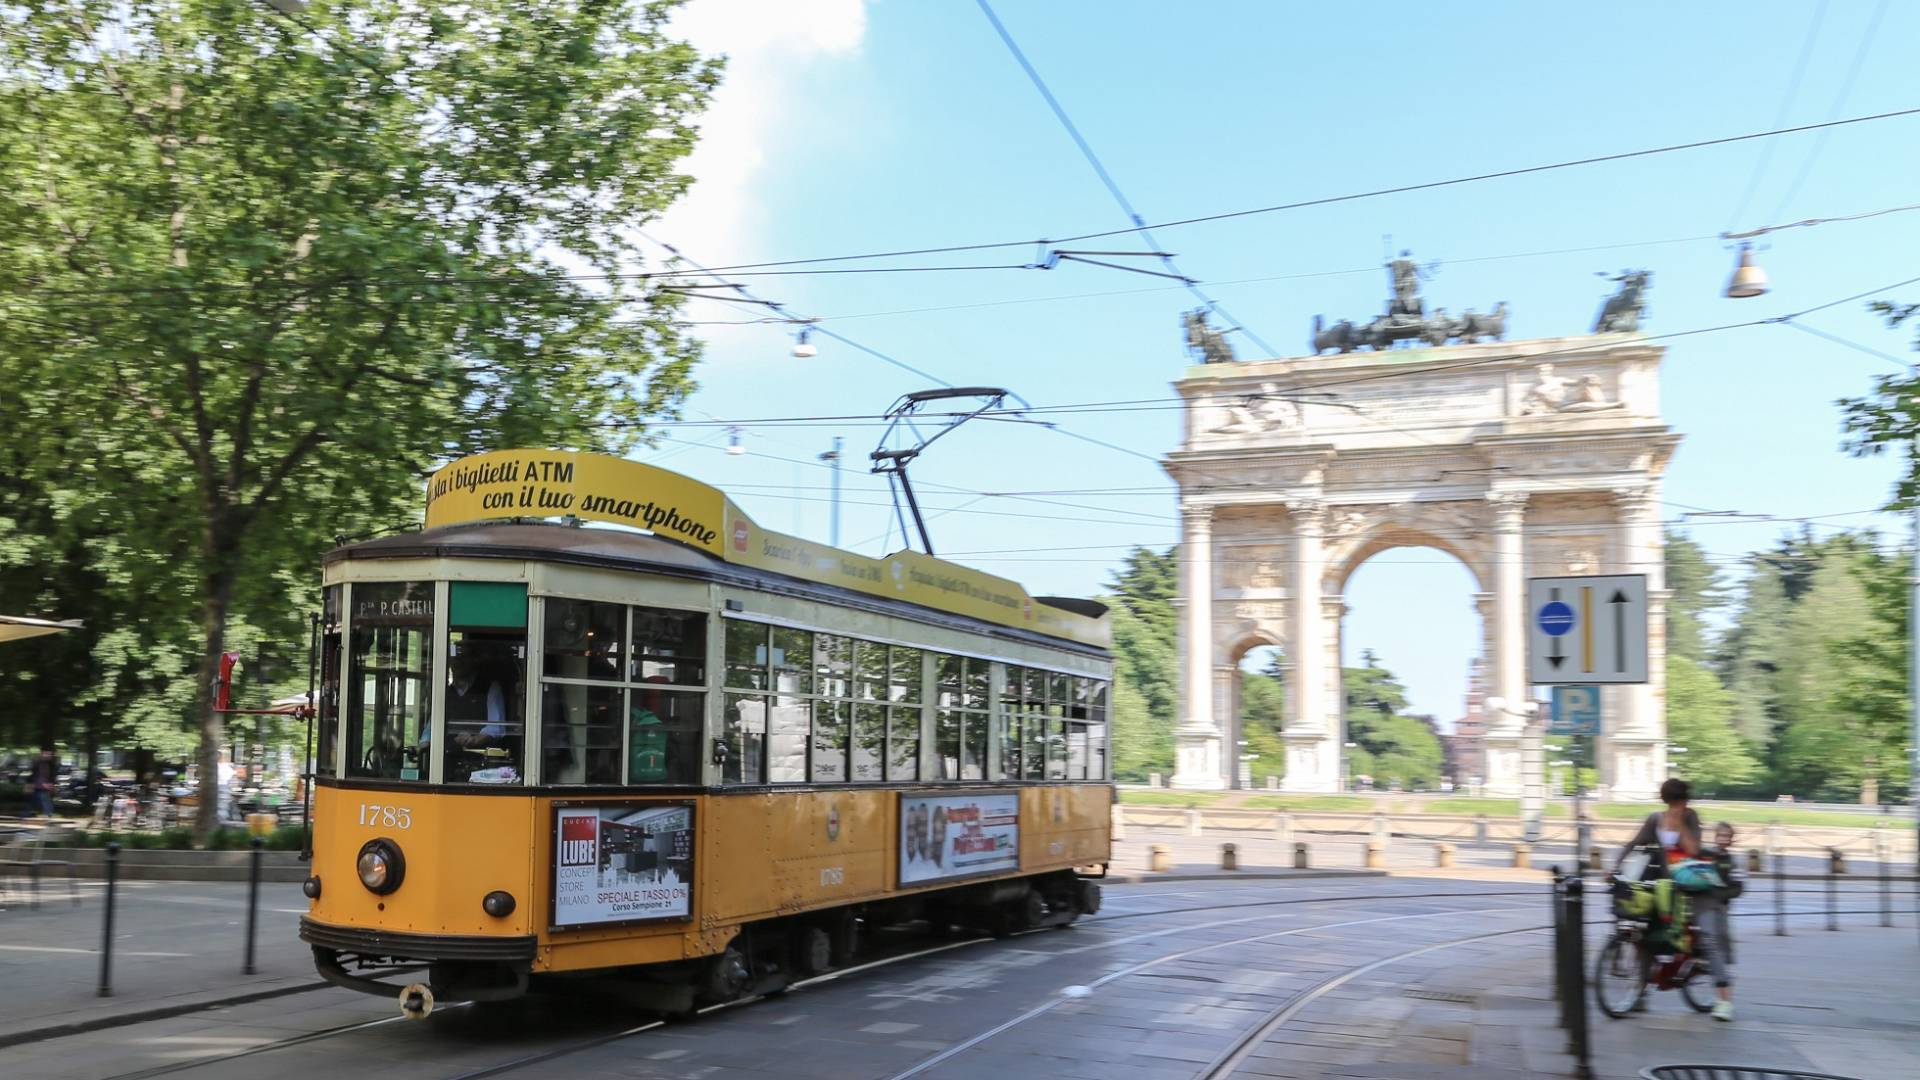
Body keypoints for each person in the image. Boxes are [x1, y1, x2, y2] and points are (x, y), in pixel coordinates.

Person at [28, 749, 57, 818]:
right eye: (47, 754)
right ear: (42, 754)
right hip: (40, 785)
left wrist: (52, 784)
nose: (49, 755)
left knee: (43, 799)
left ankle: (47, 814)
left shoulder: (48, 763)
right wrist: (44, 784)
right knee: (45, 799)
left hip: (42, 785)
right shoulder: (40, 763)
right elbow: (37, 775)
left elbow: (49, 776)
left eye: (50, 754)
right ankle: (48, 814)